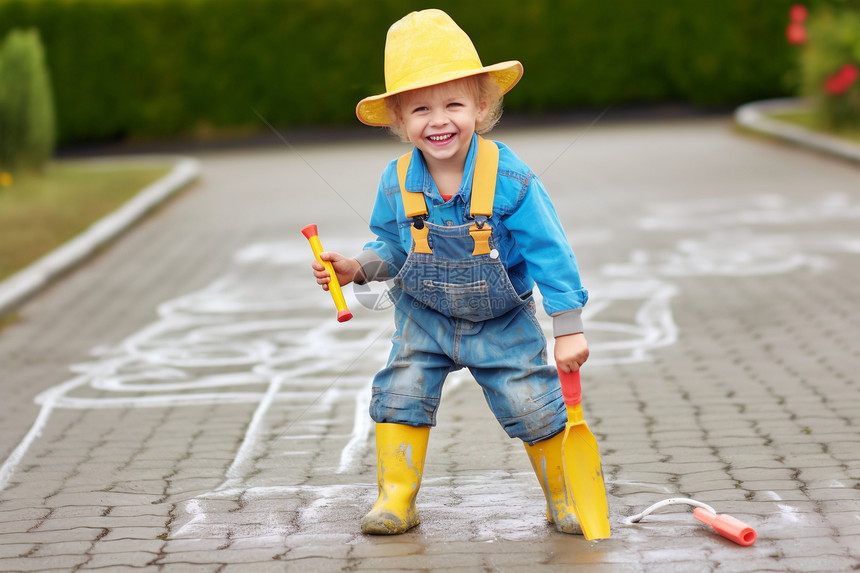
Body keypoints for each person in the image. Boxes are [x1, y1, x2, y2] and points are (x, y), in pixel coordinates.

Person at [310, 9, 589, 535]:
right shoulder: (396, 181)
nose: (438, 120)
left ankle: (564, 497)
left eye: (453, 104)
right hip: (424, 319)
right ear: (399, 120)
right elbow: (390, 245)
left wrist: (568, 328)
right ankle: (396, 498)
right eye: (420, 109)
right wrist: (357, 268)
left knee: (534, 403)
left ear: (481, 107)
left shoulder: (510, 179)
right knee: (400, 394)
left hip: (501, 322)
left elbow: (552, 252)